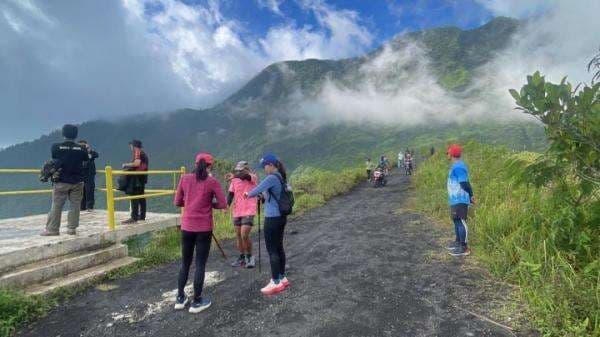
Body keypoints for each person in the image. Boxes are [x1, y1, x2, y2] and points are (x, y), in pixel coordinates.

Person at [173, 152, 227, 313]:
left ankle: (180, 298)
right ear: (210, 166)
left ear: (195, 164)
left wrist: (189, 203)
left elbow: (177, 202)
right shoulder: (212, 182)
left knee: (185, 263)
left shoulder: (185, 179)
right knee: (200, 264)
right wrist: (209, 204)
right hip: (203, 228)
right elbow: (223, 203)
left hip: (187, 226)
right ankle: (197, 301)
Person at [245, 153, 290, 295]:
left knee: (272, 250)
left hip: (272, 219)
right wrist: (262, 196)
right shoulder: (281, 177)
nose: (264, 169)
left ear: (271, 165)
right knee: (279, 247)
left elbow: (256, 190)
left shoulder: (271, 177)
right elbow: (267, 194)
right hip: (281, 218)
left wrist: (247, 194)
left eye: (265, 166)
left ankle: (275, 282)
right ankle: (282, 278)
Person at [41, 124, 89, 236]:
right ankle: (72, 229)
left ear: (63, 134)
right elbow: (85, 159)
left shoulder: (56, 147)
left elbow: (54, 158)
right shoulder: (82, 148)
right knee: (75, 205)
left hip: (61, 180)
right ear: (76, 135)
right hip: (77, 181)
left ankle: (52, 229)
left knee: (57, 204)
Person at [226, 161, 258, 268]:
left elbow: (245, 176)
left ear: (246, 169)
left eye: (241, 170)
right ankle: (242, 257)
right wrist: (226, 206)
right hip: (237, 210)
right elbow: (230, 194)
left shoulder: (252, 177)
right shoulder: (234, 180)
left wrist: (235, 175)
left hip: (249, 209)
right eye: (237, 170)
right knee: (238, 235)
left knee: (244, 234)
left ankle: (250, 257)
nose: (239, 172)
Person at [446, 144, 475, 257]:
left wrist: (471, 195)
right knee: (456, 220)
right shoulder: (456, 166)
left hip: (460, 199)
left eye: (448, 152)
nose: (447, 154)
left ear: (452, 154)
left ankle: (464, 247)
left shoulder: (458, 167)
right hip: (455, 199)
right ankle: (458, 242)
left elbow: (464, 183)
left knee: (461, 221)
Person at [122, 139, 149, 224]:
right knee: (141, 196)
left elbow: (137, 163)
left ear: (134, 146)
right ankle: (142, 216)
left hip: (136, 178)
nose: (130, 147)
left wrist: (126, 164)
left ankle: (134, 217)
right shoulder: (143, 153)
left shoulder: (137, 152)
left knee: (134, 196)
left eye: (131, 145)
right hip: (142, 177)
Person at [78, 140, 99, 212]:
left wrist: (89, 149)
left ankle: (89, 206)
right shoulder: (78, 153)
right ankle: (82, 207)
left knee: (89, 190)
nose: (83, 147)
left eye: (84, 145)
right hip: (81, 174)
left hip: (89, 174)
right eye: (81, 146)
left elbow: (96, 155)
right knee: (81, 191)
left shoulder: (90, 152)